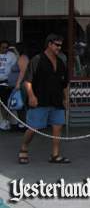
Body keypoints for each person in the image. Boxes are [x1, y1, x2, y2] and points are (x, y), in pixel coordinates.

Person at [19, 34, 70, 164]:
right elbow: (27, 81)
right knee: (33, 128)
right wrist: (31, 96)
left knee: (58, 127)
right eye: (57, 45)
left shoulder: (60, 62)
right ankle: (23, 148)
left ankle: (55, 155)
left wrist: (66, 98)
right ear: (49, 44)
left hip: (57, 100)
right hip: (39, 100)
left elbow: (64, 83)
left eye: (60, 45)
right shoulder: (37, 59)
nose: (59, 47)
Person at [8, 42, 30, 130]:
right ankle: (20, 123)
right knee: (17, 104)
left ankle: (23, 124)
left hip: (20, 85)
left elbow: (23, 72)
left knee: (19, 103)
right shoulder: (20, 57)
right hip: (18, 84)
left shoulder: (23, 58)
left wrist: (17, 84)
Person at [0, 40, 18, 131]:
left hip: (5, 82)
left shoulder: (11, 55)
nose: (5, 49)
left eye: (7, 47)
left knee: (5, 103)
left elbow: (19, 65)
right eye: (3, 47)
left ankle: (6, 121)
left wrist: (15, 51)